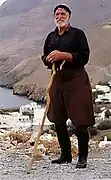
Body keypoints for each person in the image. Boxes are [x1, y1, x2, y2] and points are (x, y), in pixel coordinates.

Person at [41, 4, 95, 168]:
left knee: (80, 120)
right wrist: (49, 59)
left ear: (69, 16)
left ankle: (82, 157)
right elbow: (44, 56)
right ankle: (65, 155)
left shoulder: (78, 34)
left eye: (62, 13)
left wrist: (64, 55)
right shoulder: (51, 37)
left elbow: (84, 57)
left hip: (76, 79)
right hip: (57, 79)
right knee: (58, 118)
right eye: (56, 14)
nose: (59, 16)